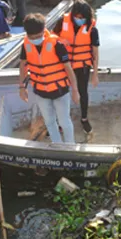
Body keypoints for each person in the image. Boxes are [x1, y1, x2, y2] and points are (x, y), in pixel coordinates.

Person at [19, 13, 79, 144]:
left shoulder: (57, 44)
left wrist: (75, 90)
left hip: (60, 91)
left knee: (64, 121)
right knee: (49, 121)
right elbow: (22, 65)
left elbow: (68, 68)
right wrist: (22, 87)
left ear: (44, 30)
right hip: (41, 92)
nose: (36, 39)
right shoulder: (26, 44)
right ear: (27, 34)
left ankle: (70, 147)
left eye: (39, 36)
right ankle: (57, 145)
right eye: (33, 37)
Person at [53, 0, 100, 134]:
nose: (80, 19)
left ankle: (84, 118)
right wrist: (61, 39)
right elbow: (51, 37)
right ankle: (62, 121)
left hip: (82, 66)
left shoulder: (92, 29)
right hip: (64, 64)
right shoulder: (63, 22)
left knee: (83, 92)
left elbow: (95, 54)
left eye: (83, 18)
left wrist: (95, 74)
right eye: (77, 17)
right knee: (62, 93)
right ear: (73, 14)